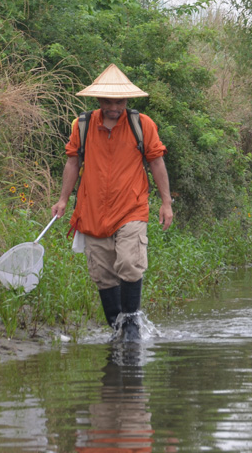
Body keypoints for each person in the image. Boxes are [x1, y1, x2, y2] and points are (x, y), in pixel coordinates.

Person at [51, 64, 173, 341]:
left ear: (127, 100)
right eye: (108, 100)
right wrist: (62, 200)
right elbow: (73, 162)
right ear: (98, 100)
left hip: (131, 208)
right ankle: (117, 331)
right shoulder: (81, 125)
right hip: (92, 212)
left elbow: (156, 161)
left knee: (129, 263)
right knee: (103, 276)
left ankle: (131, 324)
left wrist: (166, 203)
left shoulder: (142, 125)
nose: (113, 106)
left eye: (119, 101)